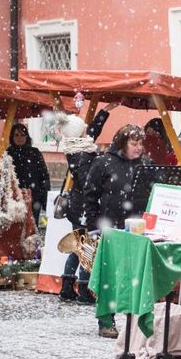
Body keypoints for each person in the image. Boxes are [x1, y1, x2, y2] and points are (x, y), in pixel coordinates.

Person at [83, 123, 151, 337]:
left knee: (134, 274)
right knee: (109, 275)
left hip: (137, 227)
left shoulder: (145, 165)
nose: (138, 148)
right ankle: (106, 321)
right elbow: (90, 195)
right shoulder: (103, 163)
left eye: (140, 144)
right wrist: (93, 226)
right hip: (109, 228)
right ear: (123, 143)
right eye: (134, 143)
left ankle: (136, 320)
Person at [55, 103, 115, 308]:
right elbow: (86, 182)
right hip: (82, 208)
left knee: (78, 246)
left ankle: (66, 286)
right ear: (78, 132)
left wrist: (105, 112)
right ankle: (83, 289)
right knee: (87, 247)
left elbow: (92, 133)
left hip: (77, 207)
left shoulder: (77, 147)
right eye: (83, 128)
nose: (87, 130)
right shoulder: (82, 154)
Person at [6, 123, 50, 224]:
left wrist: (45, 198)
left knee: (33, 228)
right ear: (12, 137)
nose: (20, 138)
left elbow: (44, 175)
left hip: (34, 198)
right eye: (16, 135)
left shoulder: (35, 153)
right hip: (15, 199)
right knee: (17, 228)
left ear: (27, 136)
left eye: (22, 135)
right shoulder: (8, 154)